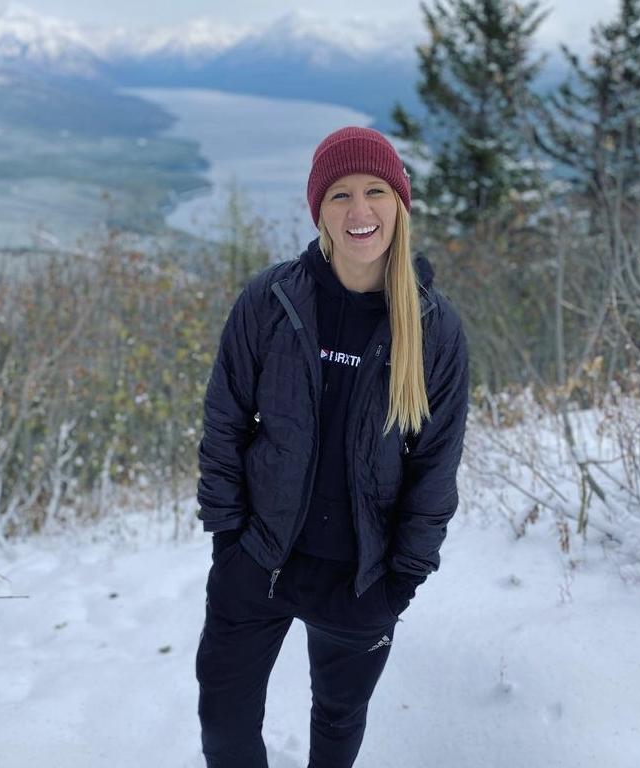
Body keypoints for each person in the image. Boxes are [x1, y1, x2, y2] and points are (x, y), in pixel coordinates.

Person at [194, 126, 469, 768]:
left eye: (376, 191)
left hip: (361, 581)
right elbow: (225, 422)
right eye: (340, 194)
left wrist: (400, 581)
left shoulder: (434, 330)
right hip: (258, 562)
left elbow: (435, 467)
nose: (359, 210)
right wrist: (229, 540)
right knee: (224, 725)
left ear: (400, 204)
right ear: (319, 208)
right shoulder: (271, 300)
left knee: (338, 725)